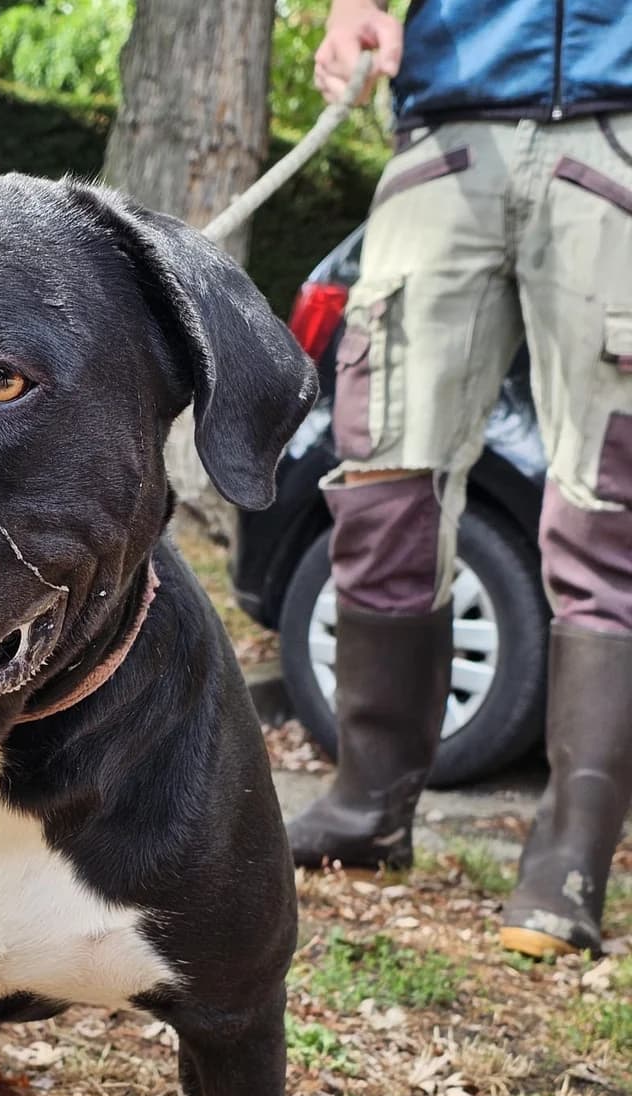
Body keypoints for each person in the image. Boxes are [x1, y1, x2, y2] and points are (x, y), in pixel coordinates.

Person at [288, 0, 632, 958]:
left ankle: (570, 858)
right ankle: (368, 806)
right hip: (449, 116)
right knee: (381, 469)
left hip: (620, 120)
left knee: (610, 494)